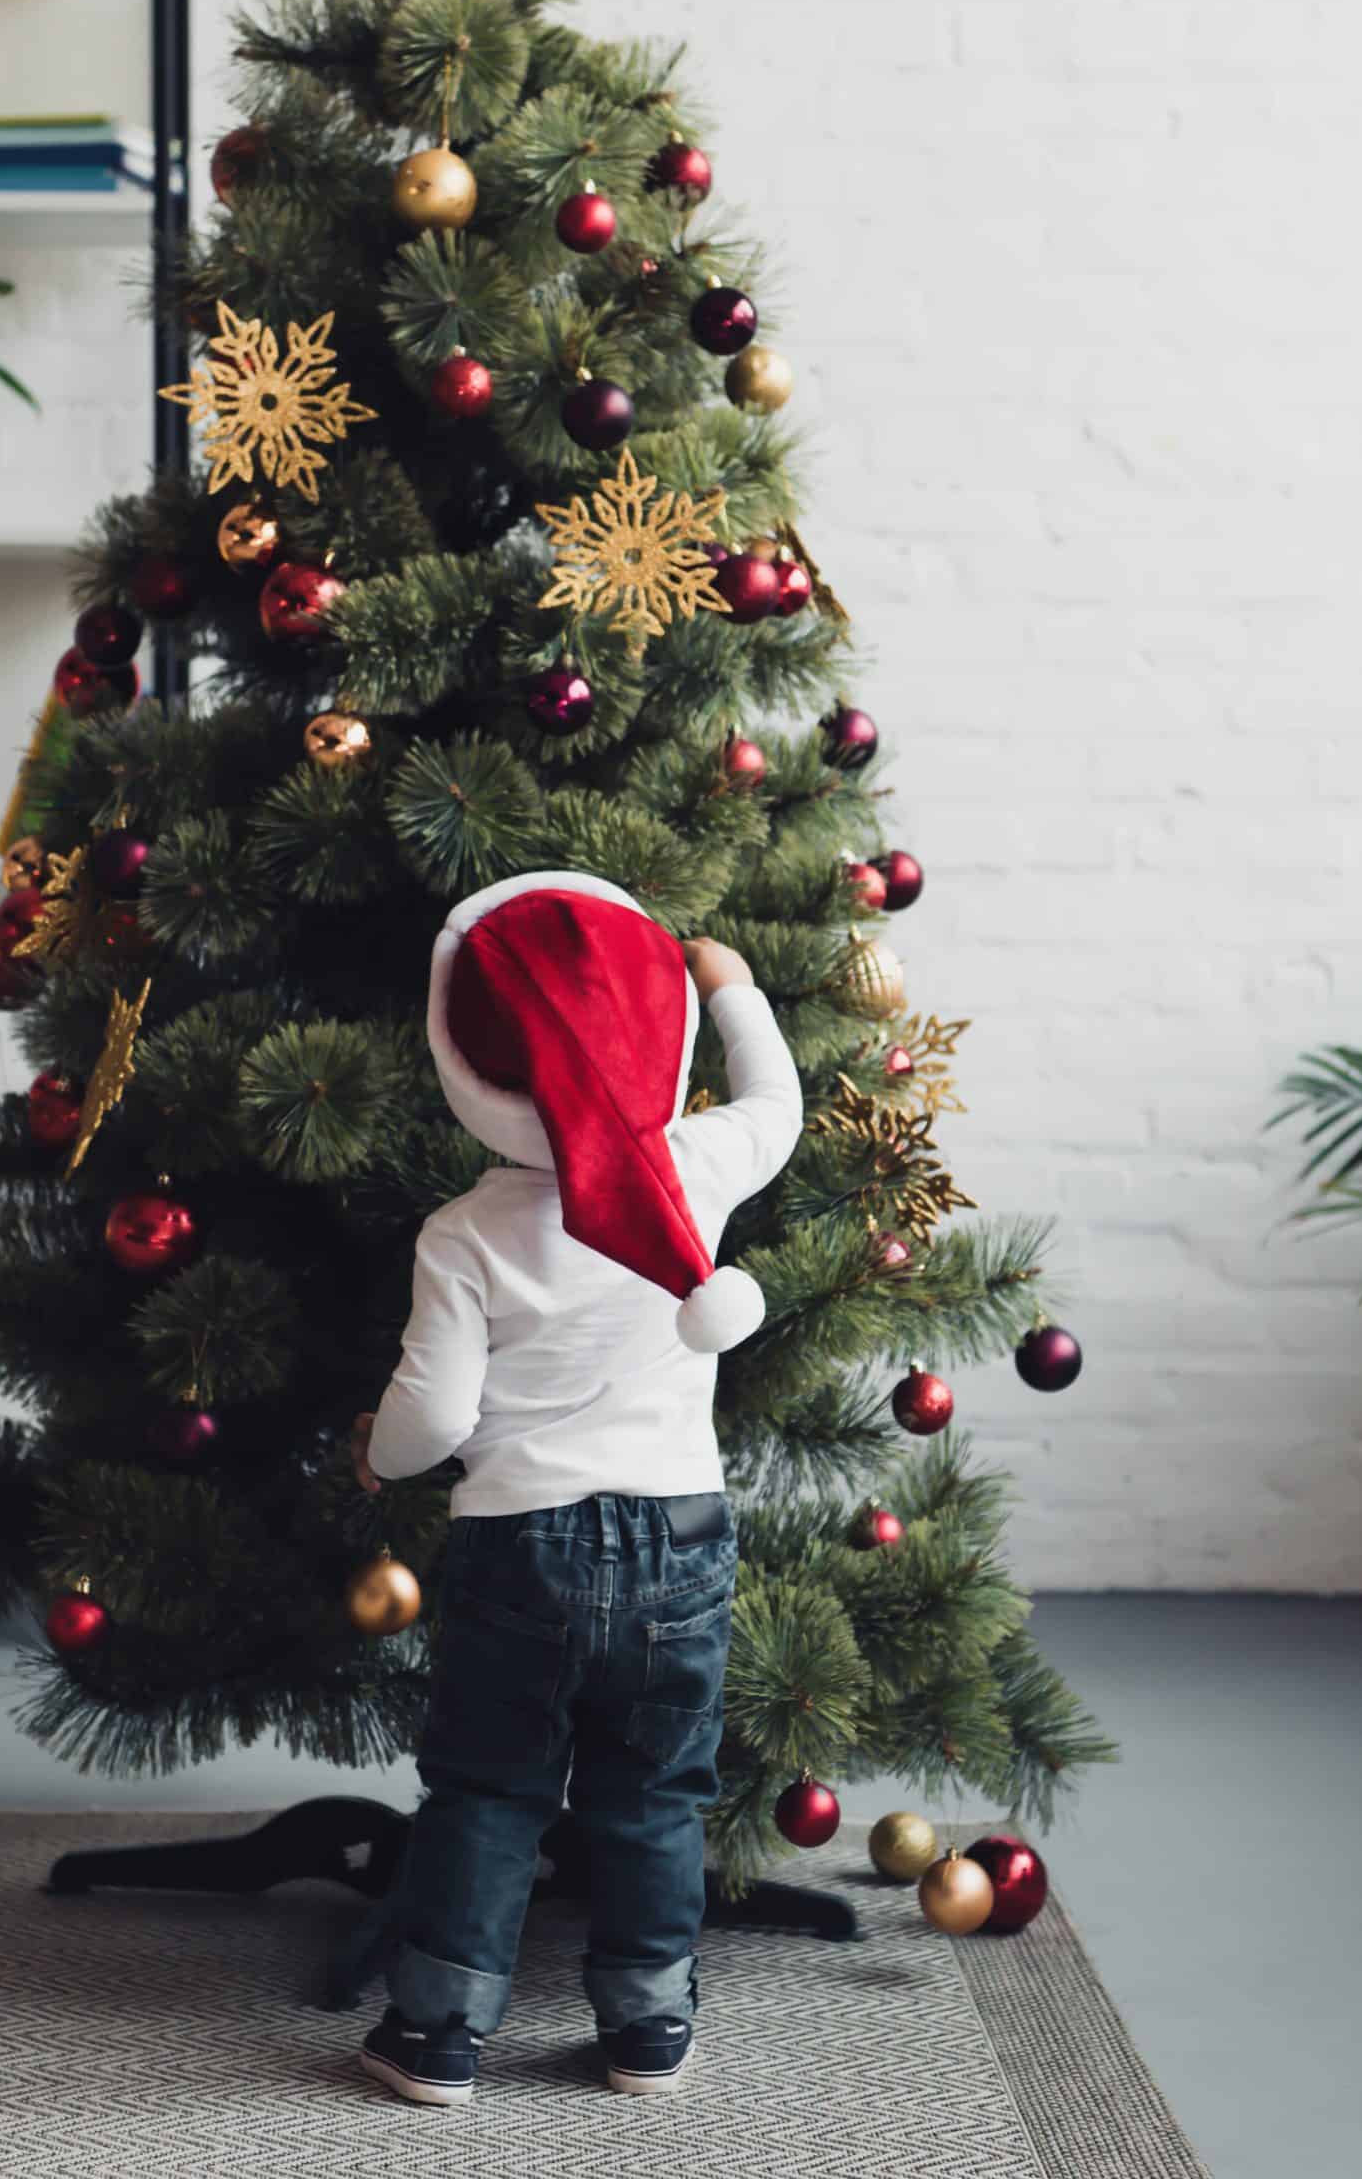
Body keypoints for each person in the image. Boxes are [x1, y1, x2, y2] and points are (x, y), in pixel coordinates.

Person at [349, 869, 803, 2105]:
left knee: (489, 1789)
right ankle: (647, 2024)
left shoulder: (463, 1232)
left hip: (519, 1548)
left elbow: (433, 1417)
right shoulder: (698, 1167)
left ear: (466, 1065)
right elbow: (777, 1105)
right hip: (680, 1537)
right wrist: (731, 984)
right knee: (654, 1791)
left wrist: (373, 1453)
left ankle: (439, 2033)